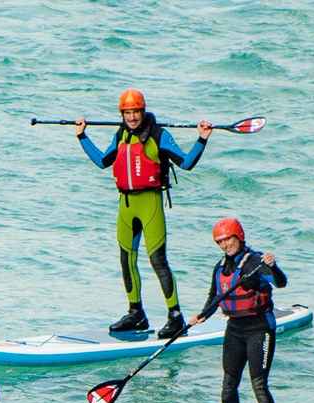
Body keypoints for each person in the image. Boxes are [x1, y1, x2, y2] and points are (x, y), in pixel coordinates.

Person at [76, 89, 213, 338]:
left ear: (143, 111)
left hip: (150, 203)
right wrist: (82, 136)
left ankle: (175, 316)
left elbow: (186, 163)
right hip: (126, 205)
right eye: (127, 113)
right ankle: (136, 313)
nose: (132, 117)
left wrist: (202, 139)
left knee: (157, 260)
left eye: (136, 112)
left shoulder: (159, 135)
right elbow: (102, 161)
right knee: (126, 259)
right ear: (122, 114)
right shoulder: (121, 135)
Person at [190, 217, 288, 403]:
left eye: (228, 239)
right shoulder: (220, 267)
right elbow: (215, 297)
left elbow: (281, 283)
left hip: (259, 329)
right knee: (228, 384)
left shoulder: (256, 261)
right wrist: (202, 315)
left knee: (259, 385)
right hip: (234, 329)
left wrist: (274, 267)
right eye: (219, 242)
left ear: (239, 237)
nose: (224, 245)